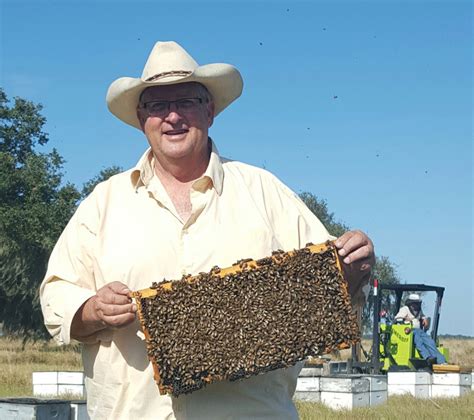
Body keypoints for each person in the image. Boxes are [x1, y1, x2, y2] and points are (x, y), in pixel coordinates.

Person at [40, 41, 375, 419]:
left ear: (210, 110)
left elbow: (329, 284)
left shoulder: (263, 190)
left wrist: (354, 264)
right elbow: (56, 297)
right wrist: (92, 310)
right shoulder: (103, 203)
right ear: (141, 119)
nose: (172, 116)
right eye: (157, 106)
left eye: (186, 102)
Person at [394, 294, 446, 365]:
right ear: (411, 303)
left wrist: (424, 319)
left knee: (430, 342)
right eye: (415, 303)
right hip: (410, 331)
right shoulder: (405, 309)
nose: (417, 305)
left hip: (419, 331)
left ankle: (441, 361)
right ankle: (427, 357)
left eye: (418, 303)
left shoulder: (418, 310)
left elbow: (422, 316)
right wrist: (406, 319)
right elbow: (397, 318)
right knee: (419, 341)